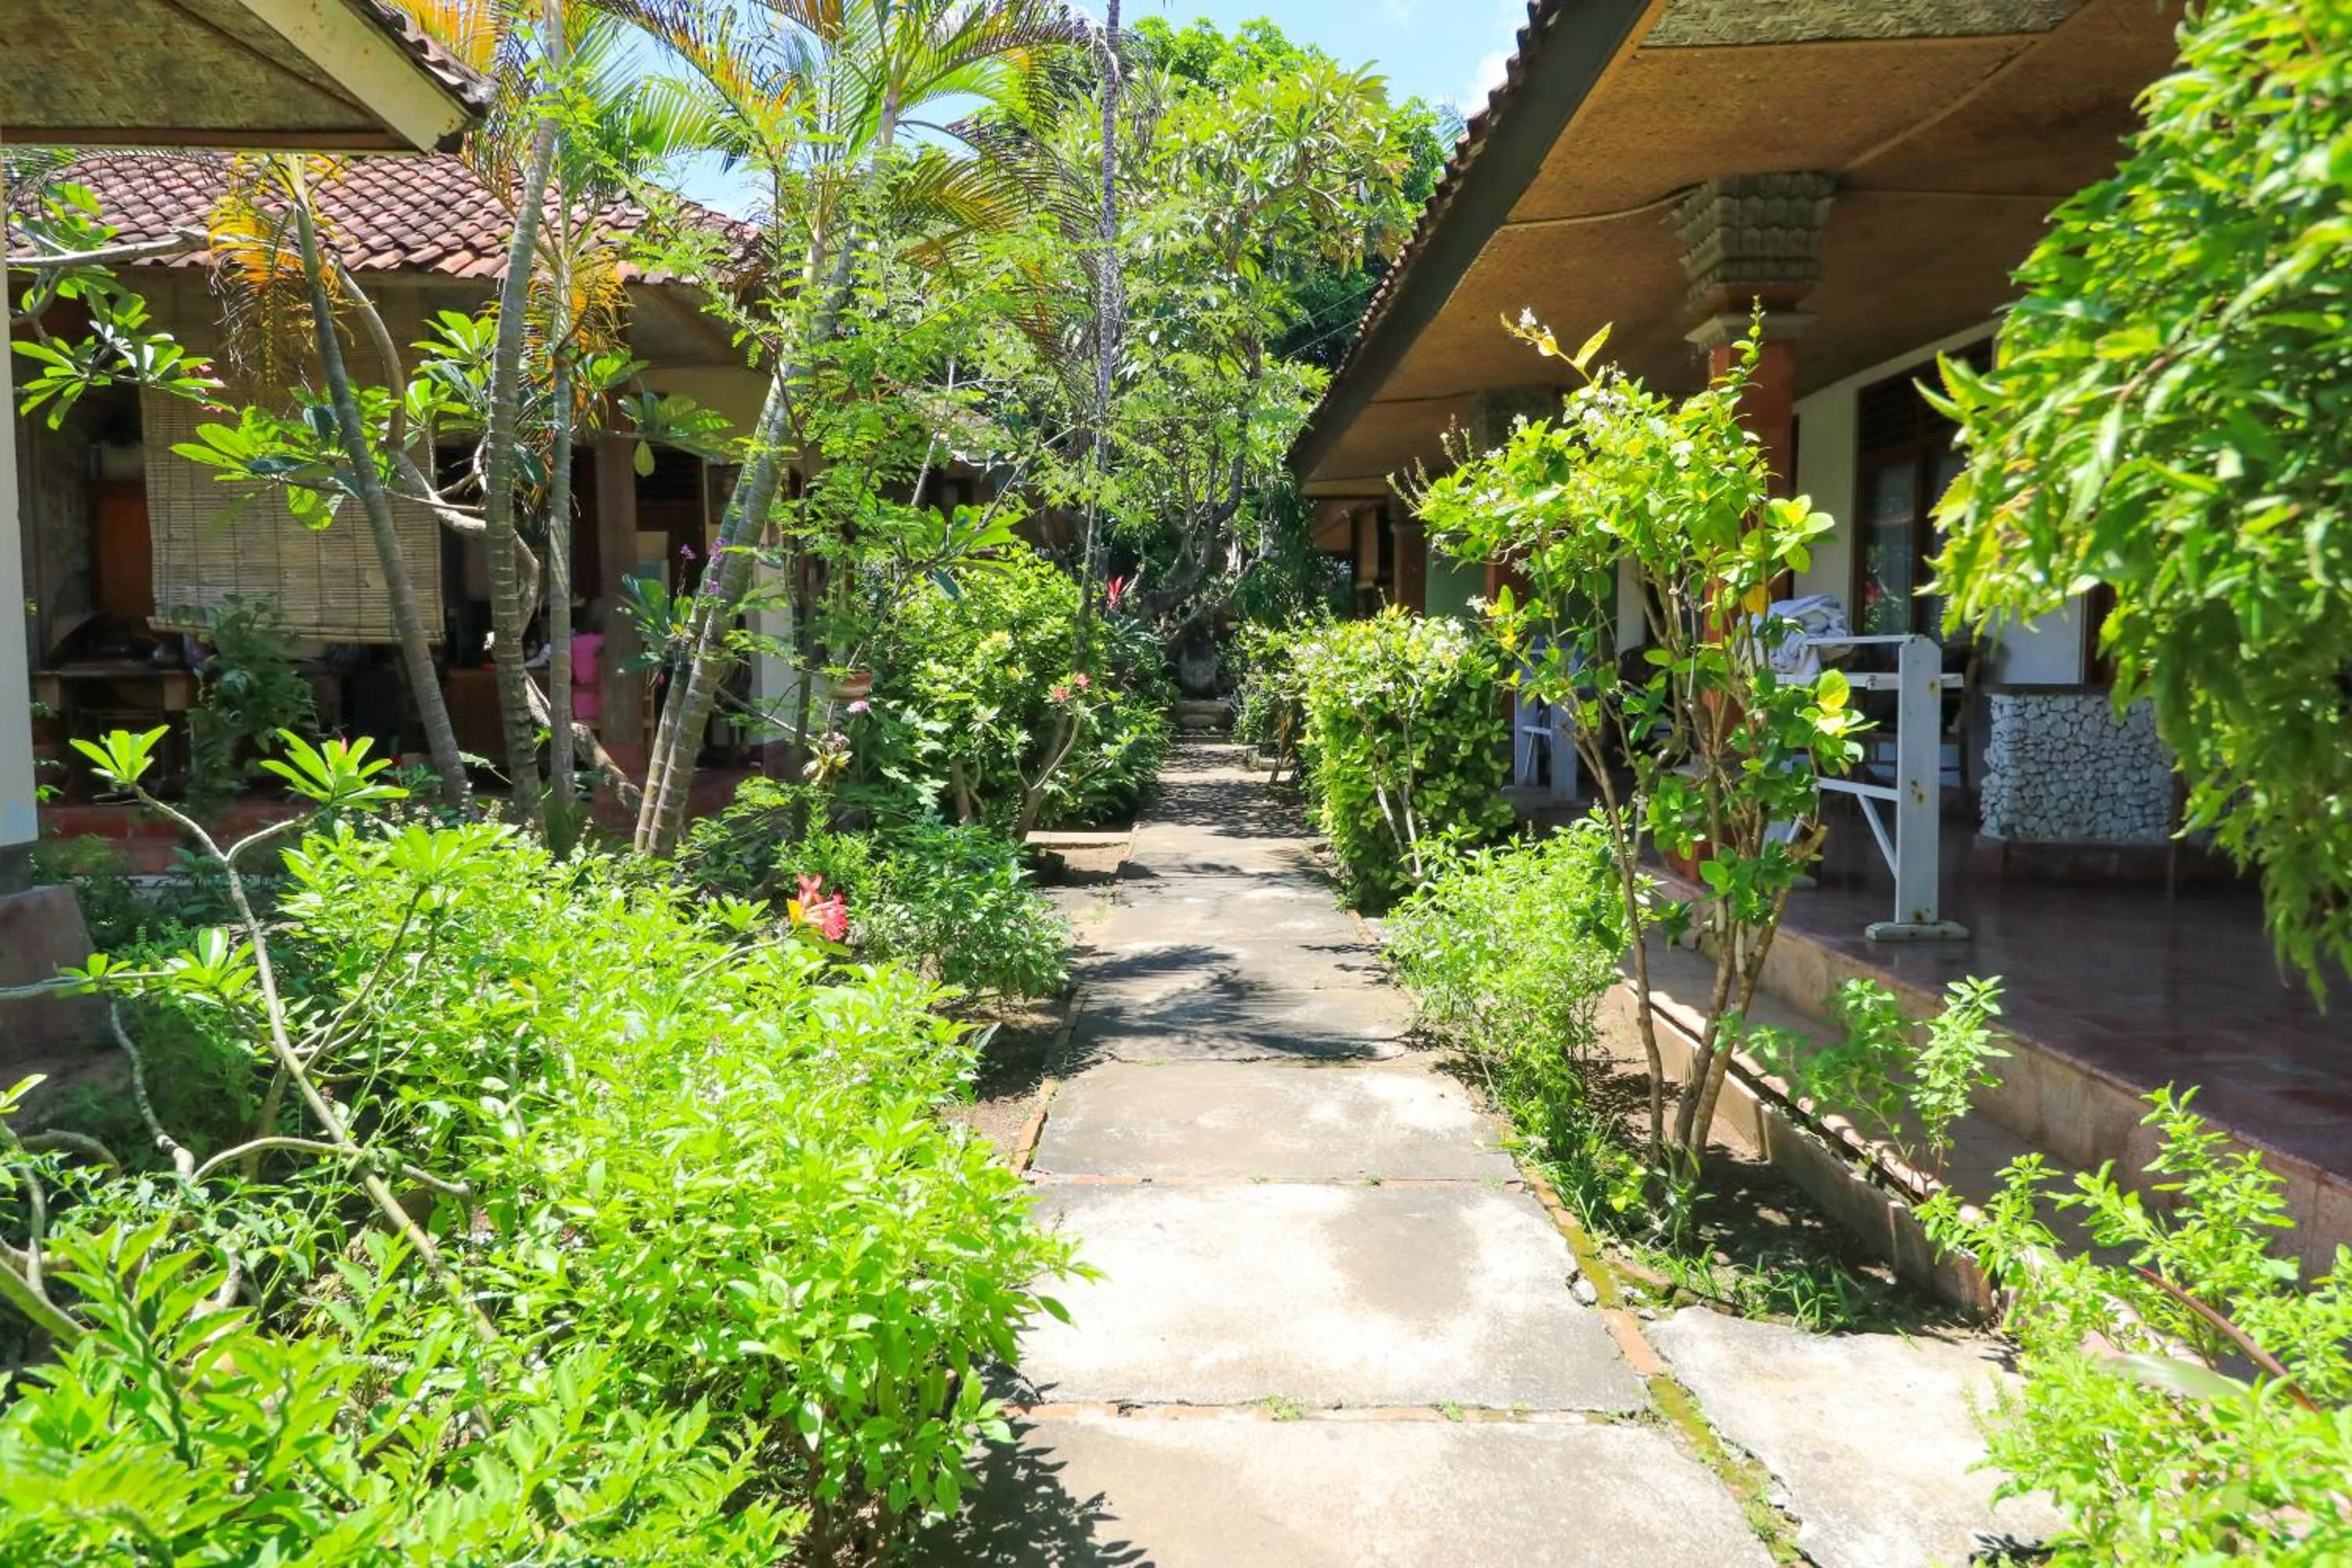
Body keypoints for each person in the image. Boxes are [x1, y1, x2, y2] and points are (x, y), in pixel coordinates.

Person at [570, 600, 604, 727]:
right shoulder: (616, 644)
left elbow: (568, 676)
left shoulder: (576, 644)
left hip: (582, 708)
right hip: (616, 708)